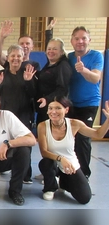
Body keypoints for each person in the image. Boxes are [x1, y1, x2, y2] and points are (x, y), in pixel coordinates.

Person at [37, 96, 109, 204]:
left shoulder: (75, 124)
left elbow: (98, 134)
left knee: (85, 198)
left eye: (58, 108)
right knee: (45, 163)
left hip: (70, 165)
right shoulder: (42, 126)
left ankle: (63, 182)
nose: (53, 111)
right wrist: (61, 159)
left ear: (66, 110)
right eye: (50, 108)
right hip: (53, 162)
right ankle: (50, 188)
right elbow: (44, 152)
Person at [0, 44, 37, 184]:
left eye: (19, 56)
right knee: (1, 142)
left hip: (23, 116)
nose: (16, 59)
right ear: (8, 57)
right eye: (13, 56)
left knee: (25, 146)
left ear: (23, 57)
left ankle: (25, 175)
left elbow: (34, 94)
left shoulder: (28, 73)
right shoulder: (1, 74)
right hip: (4, 117)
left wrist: (29, 82)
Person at [67, 26, 104, 180]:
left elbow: (96, 78)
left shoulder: (96, 56)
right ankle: (64, 170)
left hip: (89, 104)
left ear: (89, 40)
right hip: (70, 104)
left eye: (84, 38)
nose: (80, 41)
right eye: (77, 38)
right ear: (72, 41)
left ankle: (84, 174)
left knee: (83, 139)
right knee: (67, 139)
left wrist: (83, 70)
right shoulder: (68, 57)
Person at [35, 20, 72, 125]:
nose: (51, 51)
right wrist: (48, 32)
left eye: (55, 49)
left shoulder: (63, 66)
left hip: (54, 109)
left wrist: (47, 99)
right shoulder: (51, 63)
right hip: (45, 107)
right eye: (49, 49)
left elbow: (62, 89)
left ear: (61, 52)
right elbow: (50, 46)